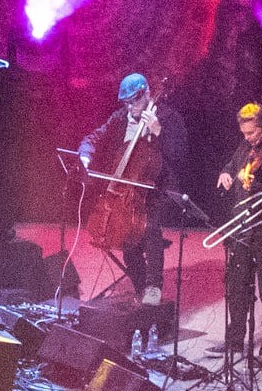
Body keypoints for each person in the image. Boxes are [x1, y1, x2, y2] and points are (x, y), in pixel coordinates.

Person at [78, 73, 189, 303]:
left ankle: (154, 288)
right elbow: (93, 138)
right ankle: (140, 286)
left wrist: (159, 132)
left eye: (135, 101)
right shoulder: (120, 118)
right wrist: (85, 156)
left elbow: (179, 156)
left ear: (147, 94)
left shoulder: (169, 118)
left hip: (160, 189)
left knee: (148, 226)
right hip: (130, 188)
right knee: (128, 236)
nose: (130, 107)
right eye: (126, 102)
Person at [215, 103, 262, 362]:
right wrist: (227, 173)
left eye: (251, 133)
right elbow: (232, 164)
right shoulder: (247, 146)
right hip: (242, 226)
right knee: (237, 286)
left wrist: (254, 183)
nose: (247, 138)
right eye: (244, 133)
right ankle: (235, 340)